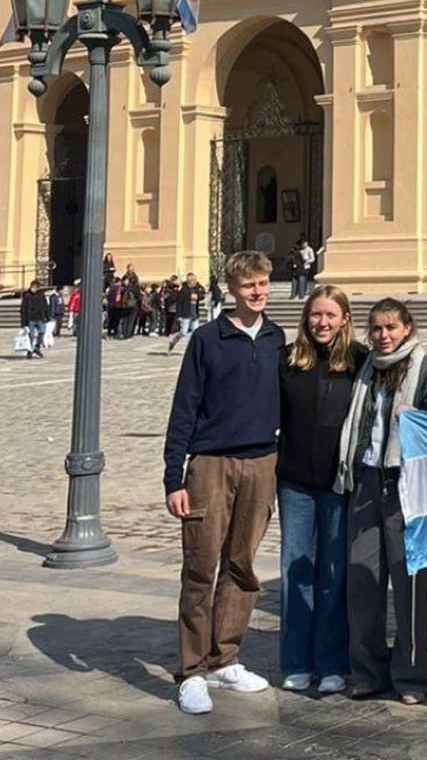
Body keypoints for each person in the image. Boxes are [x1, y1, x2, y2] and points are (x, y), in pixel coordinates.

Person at [162, 250, 285, 716]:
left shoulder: (276, 338)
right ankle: (192, 671)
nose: (258, 292)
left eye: (263, 283)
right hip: (211, 464)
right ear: (232, 289)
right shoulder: (207, 340)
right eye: (249, 285)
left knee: (242, 567)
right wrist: (174, 478)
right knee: (200, 568)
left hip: (262, 462)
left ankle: (225, 658)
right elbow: (184, 408)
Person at [336, 298, 427, 704]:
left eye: (391, 327)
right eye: (376, 328)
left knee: (409, 586)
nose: (383, 335)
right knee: (363, 583)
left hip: (407, 486)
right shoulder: (365, 369)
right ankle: (367, 671)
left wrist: (420, 419)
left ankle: (411, 678)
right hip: (367, 482)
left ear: (407, 328)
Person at [277, 285, 365, 696]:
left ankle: (332, 662)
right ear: (305, 318)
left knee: (333, 573)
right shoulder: (288, 360)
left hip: (338, 482)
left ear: (344, 319)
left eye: (330, 315)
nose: (322, 323)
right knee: (296, 570)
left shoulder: (360, 361)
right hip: (295, 481)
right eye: (316, 315)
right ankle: (296, 661)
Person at [169, 273, 205, 352]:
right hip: (186, 314)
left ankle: (196, 350)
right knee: (183, 332)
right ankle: (173, 342)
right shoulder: (184, 290)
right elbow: (179, 303)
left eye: (195, 280)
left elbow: (202, 295)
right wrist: (179, 315)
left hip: (194, 314)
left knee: (196, 333)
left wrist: (198, 296)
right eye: (193, 280)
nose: (195, 281)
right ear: (189, 281)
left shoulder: (196, 288)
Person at [20, 280, 50, 359]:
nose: (33, 289)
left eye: (35, 287)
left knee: (42, 332)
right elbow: (23, 309)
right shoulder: (27, 295)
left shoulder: (41, 295)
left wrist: (47, 317)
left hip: (40, 318)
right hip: (31, 319)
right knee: (31, 335)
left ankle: (37, 347)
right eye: (32, 287)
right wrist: (23, 322)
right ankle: (30, 350)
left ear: (38, 288)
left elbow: (45, 306)